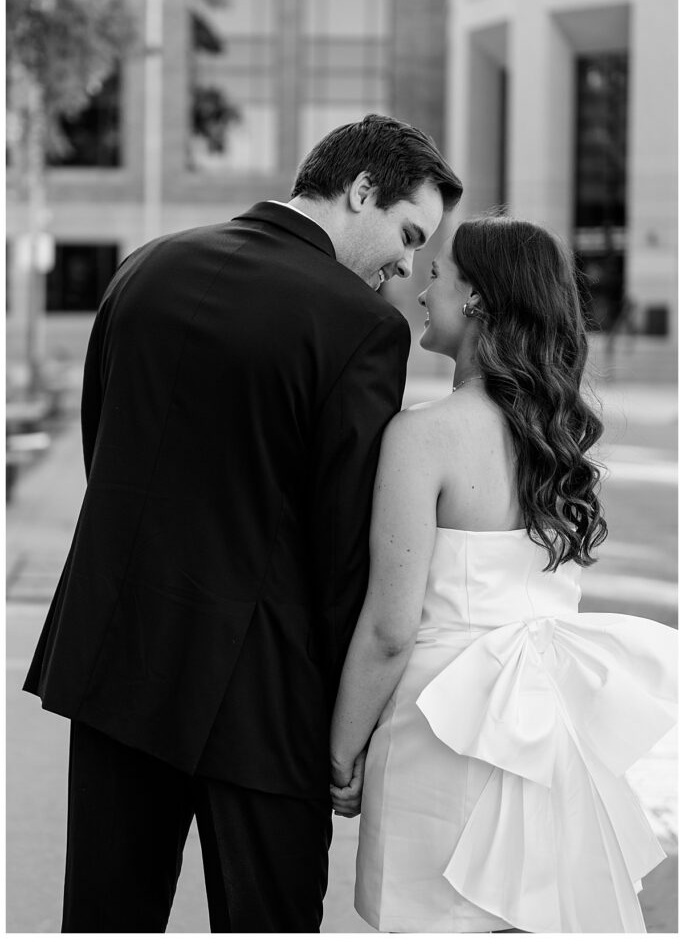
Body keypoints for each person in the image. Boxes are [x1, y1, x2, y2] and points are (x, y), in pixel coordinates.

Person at [23, 113, 463, 933]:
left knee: (103, 921)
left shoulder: (143, 269)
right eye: (407, 233)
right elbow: (344, 553)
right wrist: (347, 731)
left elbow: (104, 456)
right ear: (360, 190)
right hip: (266, 705)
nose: (407, 264)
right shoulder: (360, 327)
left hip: (118, 668)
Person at [330, 216, 677, 933]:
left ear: (479, 297)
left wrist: (338, 751)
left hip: (440, 727)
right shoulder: (558, 439)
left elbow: (391, 629)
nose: (425, 287)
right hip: (546, 727)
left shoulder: (422, 436)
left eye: (439, 272)